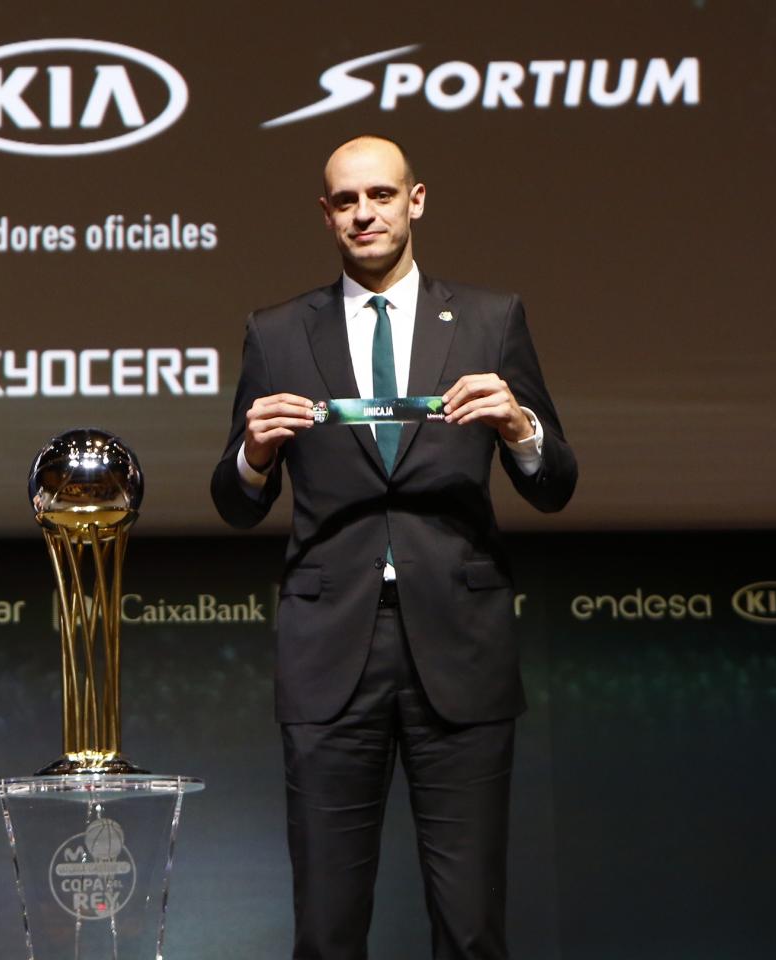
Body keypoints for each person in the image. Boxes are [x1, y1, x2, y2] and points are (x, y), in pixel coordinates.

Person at [210, 136, 577, 960]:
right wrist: (254, 454)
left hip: (461, 643)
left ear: (416, 200)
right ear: (326, 213)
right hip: (330, 650)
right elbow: (235, 503)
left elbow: (554, 485)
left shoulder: (490, 318)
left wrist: (520, 427)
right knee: (328, 927)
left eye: (380, 195)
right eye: (346, 201)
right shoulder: (275, 332)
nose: (364, 213)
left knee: (473, 924)